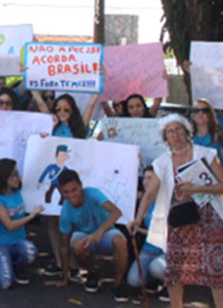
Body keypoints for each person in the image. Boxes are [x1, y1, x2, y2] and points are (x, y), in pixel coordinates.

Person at [129, 114, 223, 308]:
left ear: (187, 132)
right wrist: (137, 220)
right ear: (165, 137)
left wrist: (196, 189)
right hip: (179, 221)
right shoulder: (162, 162)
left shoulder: (206, 153)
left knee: (215, 270)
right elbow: (149, 193)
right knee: (175, 270)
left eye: (179, 129)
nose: (175, 135)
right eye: (170, 131)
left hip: (209, 219)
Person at [47, 169, 130, 303]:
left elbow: (116, 212)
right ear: (61, 192)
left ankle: (119, 283)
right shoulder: (66, 210)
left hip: (105, 232)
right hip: (87, 238)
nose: (71, 195)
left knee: (121, 241)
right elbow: (63, 246)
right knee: (75, 244)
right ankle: (93, 272)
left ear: (80, 186)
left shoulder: (92, 193)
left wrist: (99, 232)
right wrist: (65, 277)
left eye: (74, 190)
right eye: (66, 192)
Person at [0, 158, 43, 289]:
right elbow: (9, 225)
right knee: (5, 283)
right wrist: (32, 216)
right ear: (3, 177)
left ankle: (17, 267)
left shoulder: (18, 191)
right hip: (2, 243)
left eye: (17, 173)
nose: (17, 178)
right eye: (13, 175)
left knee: (31, 252)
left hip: (18, 241)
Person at [125, 165, 166, 302]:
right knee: (133, 280)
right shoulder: (144, 199)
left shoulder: (167, 201)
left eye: (150, 178)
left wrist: (139, 230)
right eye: (144, 178)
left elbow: (163, 233)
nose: (145, 182)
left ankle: (169, 284)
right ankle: (152, 280)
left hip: (165, 250)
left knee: (157, 268)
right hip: (148, 249)